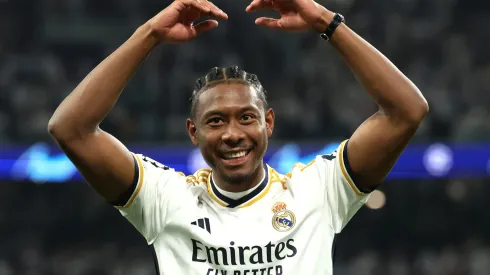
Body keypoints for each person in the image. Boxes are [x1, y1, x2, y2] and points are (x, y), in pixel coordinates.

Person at [47, 0, 429, 274]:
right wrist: (148, 34)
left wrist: (326, 22)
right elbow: (71, 129)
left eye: (246, 118)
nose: (233, 134)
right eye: (215, 121)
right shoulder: (166, 199)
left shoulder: (317, 191)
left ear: (269, 123)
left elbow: (407, 111)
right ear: (193, 133)